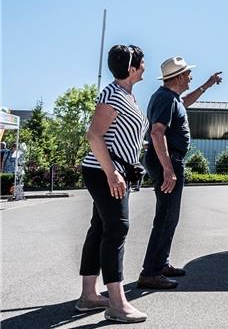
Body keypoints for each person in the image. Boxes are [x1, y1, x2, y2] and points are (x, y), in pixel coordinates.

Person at [78, 45, 148, 323]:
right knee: (118, 228)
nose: (145, 67)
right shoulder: (113, 94)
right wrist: (112, 173)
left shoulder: (128, 96)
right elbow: (94, 136)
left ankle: (88, 296)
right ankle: (117, 303)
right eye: (142, 63)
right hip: (103, 171)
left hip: (114, 170)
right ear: (131, 68)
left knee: (100, 229)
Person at [137, 57, 221, 289]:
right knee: (165, 218)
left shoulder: (170, 98)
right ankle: (150, 273)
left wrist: (207, 85)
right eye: (188, 74)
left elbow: (186, 101)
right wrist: (168, 169)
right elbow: (157, 133)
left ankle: (160, 264)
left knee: (168, 218)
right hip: (168, 160)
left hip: (169, 160)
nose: (190, 77)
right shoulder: (165, 98)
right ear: (179, 77)